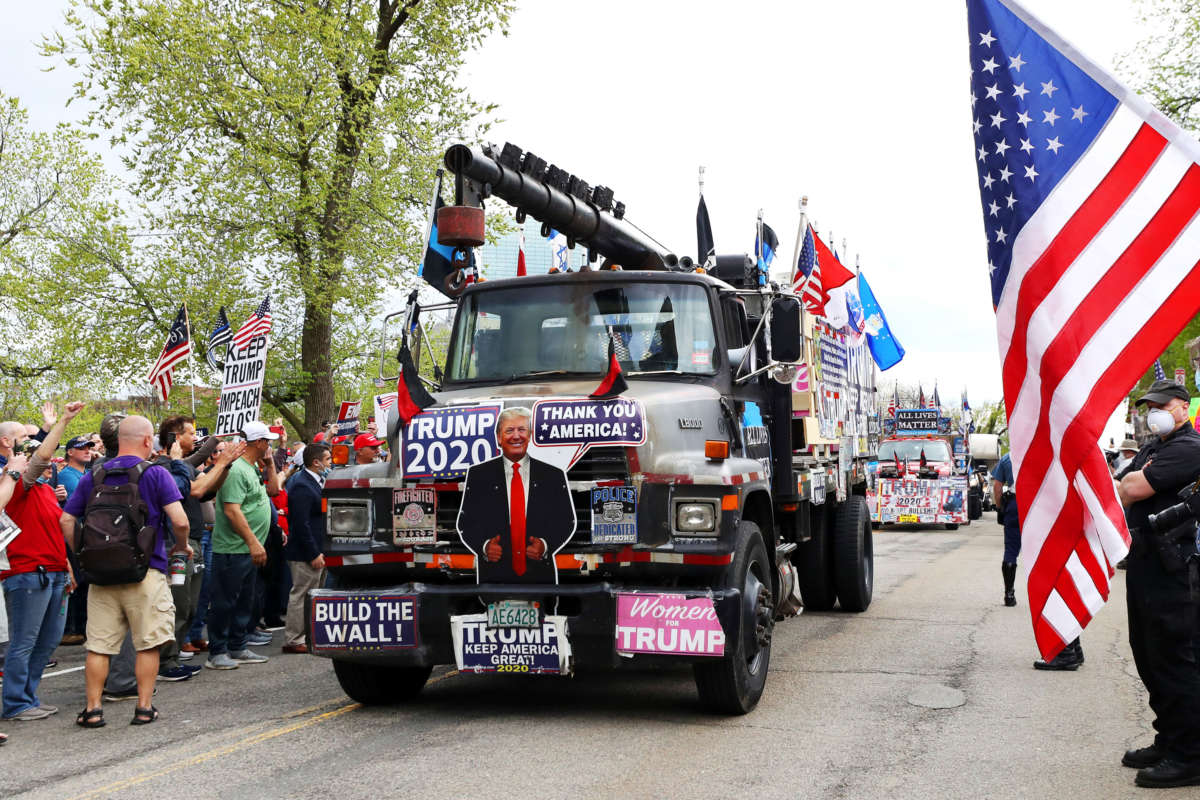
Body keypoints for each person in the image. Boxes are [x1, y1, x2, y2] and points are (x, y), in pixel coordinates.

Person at [61, 415, 192, 728]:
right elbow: (181, 520)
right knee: (148, 643)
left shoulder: (93, 475)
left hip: (101, 575)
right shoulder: (156, 473)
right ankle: (144, 707)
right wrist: (181, 547)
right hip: (147, 570)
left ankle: (93, 709)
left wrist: (83, 554)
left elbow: (66, 520)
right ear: (148, 441)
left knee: (99, 646)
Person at [1115, 379, 1200, 788]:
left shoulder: (1189, 447)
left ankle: (1190, 755)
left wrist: (1136, 483)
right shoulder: (1154, 448)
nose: (1155, 412)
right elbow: (1120, 488)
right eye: (1149, 405)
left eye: (1162, 404)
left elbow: (1131, 487)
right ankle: (1169, 738)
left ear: (1183, 407)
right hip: (1146, 560)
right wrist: (1135, 481)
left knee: (1174, 658)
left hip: (1176, 566)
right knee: (1147, 654)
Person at [0, 403, 81, 722]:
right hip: (28, 574)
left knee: (47, 641)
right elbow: (43, 455)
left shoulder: (46, 490)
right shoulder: (16, 482)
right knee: (25, 641)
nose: (34, 445)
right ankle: (16, 702)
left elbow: (54, 530)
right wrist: (62, 421)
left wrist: (68, 566)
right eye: (24, 437)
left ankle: (28, 697)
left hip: (56, 573)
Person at [155, 416, 243, 681]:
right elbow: (195, 489)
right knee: (179, 604)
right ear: (173, 437)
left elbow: (208, 491)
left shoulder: (183, 465)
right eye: (190, 433)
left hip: (193, 544)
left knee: (192, 605)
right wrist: (222, 461)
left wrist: (225, 467)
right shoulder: (165, 466)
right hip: (178, 547)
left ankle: (171, 657)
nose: (195, 437)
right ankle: (164, 662)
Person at [457, 407, 576, 583]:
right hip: (492, 578)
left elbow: (566, 521)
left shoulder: (553, 475)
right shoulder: (478, 475)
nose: (516, 436)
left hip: (542, 578)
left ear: (530, 435)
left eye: (522, 430)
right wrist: (484, 546)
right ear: (498, 437)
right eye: (509, 430)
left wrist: (545, 545)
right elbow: (465, 523)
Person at [205, 421, 278, 669]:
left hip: (248, 548)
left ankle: (237, 646)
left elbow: (274, 491)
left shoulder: (252, 467)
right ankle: (217, 651)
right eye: (267, 441)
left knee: (244, 600)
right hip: (233, 548)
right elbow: (232, 511)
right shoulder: (236, 470)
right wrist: (253, 542)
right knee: (225, 601)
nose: (270, 445)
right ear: (259, 443)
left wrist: (270, 465)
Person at [281, 443, 331, 653]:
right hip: (305, 553)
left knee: (314, 594)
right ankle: (294, 639)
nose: (331, 463)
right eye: (328, 459)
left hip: (319, 548)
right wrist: (313, 553)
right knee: (301, 594)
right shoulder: (302, 484)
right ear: (316, 462)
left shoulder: (318, 481)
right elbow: (301, 524)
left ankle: (308, 634)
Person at [991, 453, 1020, 608]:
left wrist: (999, 507)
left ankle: (1009, 594)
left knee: (1011, 550)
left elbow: (997, 486)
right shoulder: (1043, 451)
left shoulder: (1008, 458)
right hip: (1038, 505)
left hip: (1015, 505)